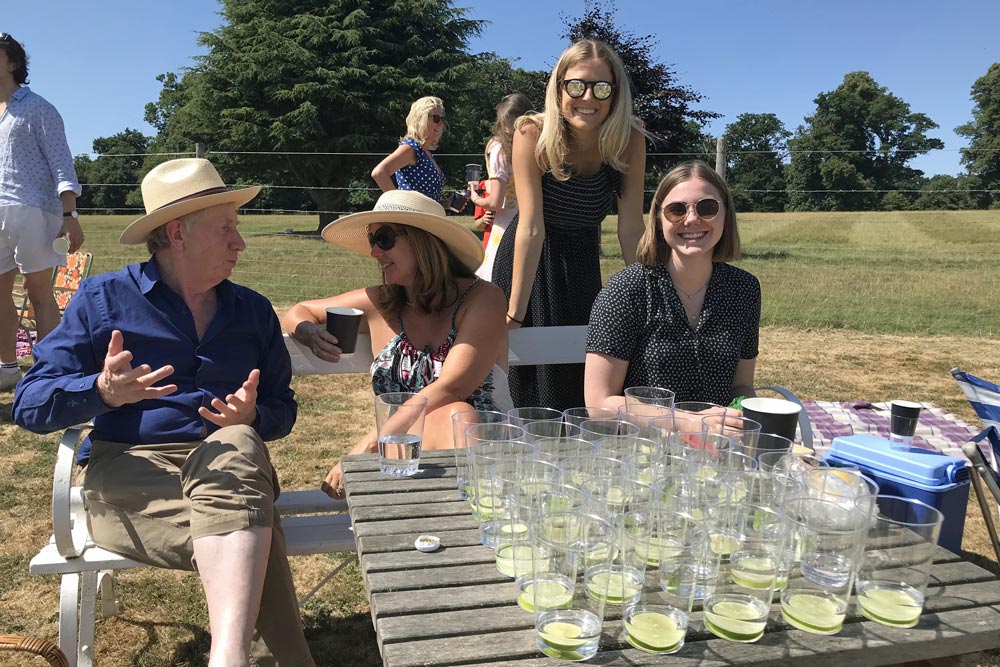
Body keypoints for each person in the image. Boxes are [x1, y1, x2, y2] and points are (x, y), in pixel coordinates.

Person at [13, 158, 313, 667]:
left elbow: (283, 408)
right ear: (178, 233)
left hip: (226, 464)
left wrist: (254, 419)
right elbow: (29, 403)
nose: (240, 243)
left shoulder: (253, 311)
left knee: (237, 447)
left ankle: (227, 658)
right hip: (131, 469)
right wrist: (103, 391)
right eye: (227, 230)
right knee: (251, 531)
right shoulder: (103, 300)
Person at [281, 190, 507, 500]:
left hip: (469, 453)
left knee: (458, 414)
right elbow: (299, 311)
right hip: (398, 460)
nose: (374, 252)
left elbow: (451, 387)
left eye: (384, 238)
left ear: (422, 240)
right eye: (372, 240)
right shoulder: (382, 303)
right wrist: (309, 333)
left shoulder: (482, 299)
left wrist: (372, 442)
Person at [492, 39, 647, 411]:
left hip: (581, 265)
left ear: (615, 94)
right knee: (525, 388)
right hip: (528, 264)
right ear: (559, 88)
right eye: (576, 85)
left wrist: (649, 299)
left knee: (577, 385)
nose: (587, 98)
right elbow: (531, 227)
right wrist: (514, 311)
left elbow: (631, 229)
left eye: (601, 87)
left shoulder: (629, 140)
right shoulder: (532, 134)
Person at [584, 161, 760, 411]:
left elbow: (740, 387)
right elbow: (598, 403)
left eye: (707, 208)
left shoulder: (744, 289)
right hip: (643, 444)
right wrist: (687, 424)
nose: (691, 219)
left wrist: (740, 416)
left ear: (726, 214)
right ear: (658, 220)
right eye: (676, 210)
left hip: (716, 445)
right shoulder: (626, 289)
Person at [0, 33, 84, 390]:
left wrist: (69, 216)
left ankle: (48, 373)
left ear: (14, 63)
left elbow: (62, 164)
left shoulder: (38, 108)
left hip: (33, 210)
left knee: (38, 293)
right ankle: (7, 369)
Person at [471, 93, 532, 282]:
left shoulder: (500, 149)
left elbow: (495, 202)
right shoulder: (537, 144)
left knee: (497, 281)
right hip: (533, 220)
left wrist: (475, 197)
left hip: (506, 225)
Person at [371, 96, 448, 201]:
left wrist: (446, 204)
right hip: (412, 215)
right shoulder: (411, 147)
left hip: (426, 214)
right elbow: (379, 173)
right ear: (421, 119)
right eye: (436, 118)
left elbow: (428, 194)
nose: (441, 123)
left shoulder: (426, 152)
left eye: (442, 119)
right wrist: (398, 203)